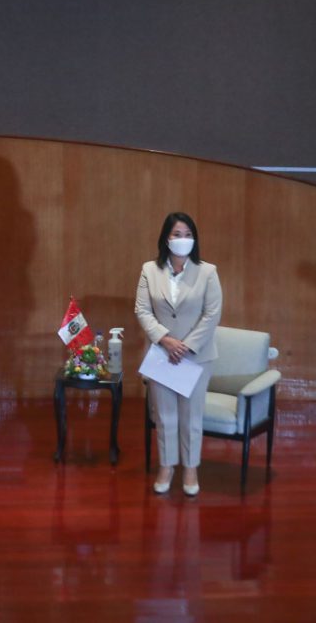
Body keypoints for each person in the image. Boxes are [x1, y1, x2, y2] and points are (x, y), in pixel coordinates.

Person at [135, 212, 222, 496]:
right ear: (166, 238)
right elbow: (142, 310)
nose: (182, 239)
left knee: (191, 417)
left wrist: (186, 345)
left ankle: (190, 468)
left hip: (196, 356)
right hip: (162, 354)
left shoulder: (207, 272)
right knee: (165, 416)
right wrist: (165, 340)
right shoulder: (150, 269)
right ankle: (166, 466)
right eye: (176, 234)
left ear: (194, 239)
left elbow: (212, 314)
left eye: (187, 234)